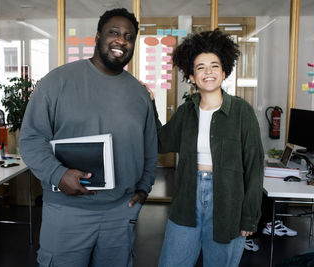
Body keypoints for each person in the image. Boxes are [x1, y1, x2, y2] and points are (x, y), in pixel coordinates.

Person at [19, 8, 157, 267]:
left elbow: (150, 148)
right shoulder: (56, 82)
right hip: (67, 211)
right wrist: (58, 174)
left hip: (120, 213)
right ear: (97, 36)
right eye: (113, 33)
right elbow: (30, 139)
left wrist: (144, 188)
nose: (121, 41)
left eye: (128, 37)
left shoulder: (139, 94)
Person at [146, 29, 264, 266]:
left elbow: (254, 166)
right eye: (200, 67)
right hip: (187, 197)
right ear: (191, 76)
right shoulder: (186, 112)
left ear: (223, 72)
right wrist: (150, 104)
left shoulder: (242, 112)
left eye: (214, 66)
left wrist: (249, 218)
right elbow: (161, 142)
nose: (207, 72)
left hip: (229, 201)